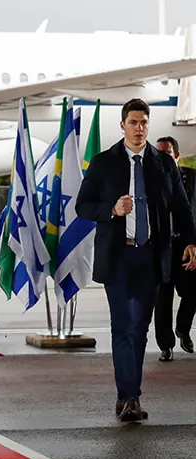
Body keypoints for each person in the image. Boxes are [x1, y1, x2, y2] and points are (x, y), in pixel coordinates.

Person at [75, 98, 196, 423]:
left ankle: (128, 395)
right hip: (119, 256)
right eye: (133, 122)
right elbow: (82, 206)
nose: (139, 128)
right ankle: (129, 397)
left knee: (139, 329)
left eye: (144, 122)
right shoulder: (103, 163)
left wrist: (192, 241)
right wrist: (111, 210)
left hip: (152, 255)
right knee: (122, 327)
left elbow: (182, 208)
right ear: (122, 125)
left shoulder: (163, 164)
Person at [153, 136, 196, 361]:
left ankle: (183, 329)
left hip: (186, 247)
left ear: (176, 155)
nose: (161, 158)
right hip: (161, 248)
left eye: (166, 154)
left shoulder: (192, 179)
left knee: (192, 292)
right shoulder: (150, 180)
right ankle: (166, 345)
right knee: (162, 299)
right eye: (157, 153)